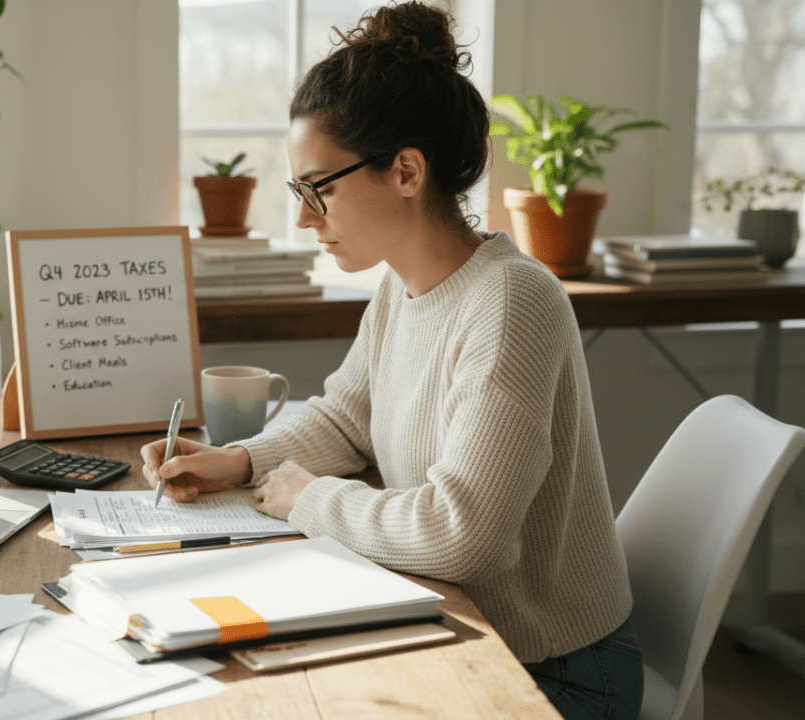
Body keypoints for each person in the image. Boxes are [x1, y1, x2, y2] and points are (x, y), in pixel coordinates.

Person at [141, 3, 643, 719]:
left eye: (320, 188)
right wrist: (240, 461)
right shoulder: (401, 289)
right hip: (459, 624)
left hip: (552, 668)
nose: (304, 217)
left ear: (406, 170)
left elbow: (464, 535)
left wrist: (310, 498)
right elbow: (348, 420)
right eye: (298, 191)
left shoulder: (511, 302)